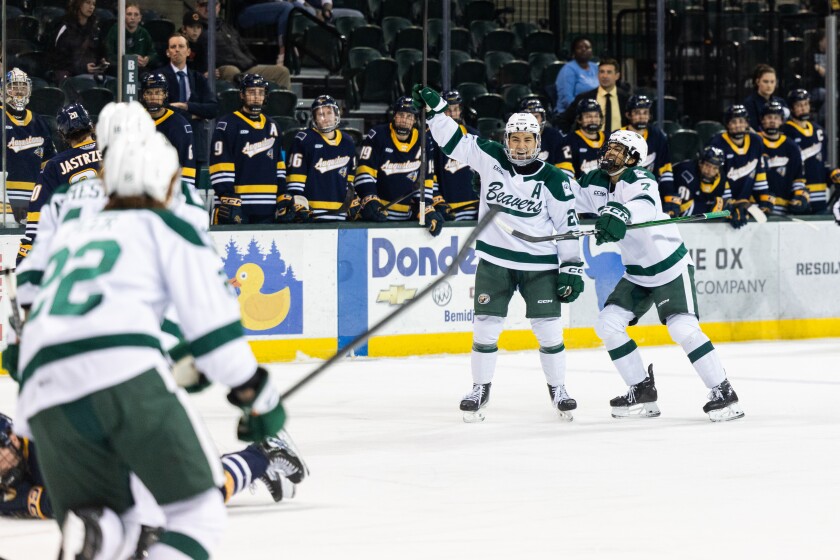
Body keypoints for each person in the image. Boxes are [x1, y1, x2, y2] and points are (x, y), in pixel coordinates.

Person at [14, 130, 288, 559]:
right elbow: (216, 336)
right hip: (121, 370)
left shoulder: (75, 230)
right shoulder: (166, 225)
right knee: (198, 514)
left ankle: (97, 532)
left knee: (115, 518)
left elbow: (29, 289)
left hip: (39, 385)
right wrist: (259, 397)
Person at [414, 85, 585, 422]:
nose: (521, 146)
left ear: (537, 142)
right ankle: (480, 388)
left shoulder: (554, 179)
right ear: (506, 139)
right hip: (495, 261)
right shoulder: (490, 156)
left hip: (539, 266)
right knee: (485, 328)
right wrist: (436, 112)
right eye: (515, 139)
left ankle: (559, 389)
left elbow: (567, 226)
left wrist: (571, 267)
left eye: (527, 140)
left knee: (549, 330)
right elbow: (454, 141)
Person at [574, 129, 744, 422]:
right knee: (608, 323)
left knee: (682, 328)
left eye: (619, 150)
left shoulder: (641, 178)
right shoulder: (595, 182)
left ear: (634, 159)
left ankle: (723, 391)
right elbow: (566, 196)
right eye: (610, 147)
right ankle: (641, 389)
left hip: (669, 267)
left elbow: (644, 203)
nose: (611, 152)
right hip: (637, 273)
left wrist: (618, 214)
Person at [0, 413, 307, 520]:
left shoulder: (45, 440)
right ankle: (253, 466)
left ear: (13, 437)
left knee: (200, 497)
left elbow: (63, 502)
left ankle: (264, 453)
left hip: (141, 443)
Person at [17, 103, 101, 262]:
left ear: (62, 134)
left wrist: (26, 251)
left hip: (75, 246)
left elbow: (37, 215)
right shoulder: (113, 152)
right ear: (90, 125)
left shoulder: (54, 165)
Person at [353, 96, 444, 237]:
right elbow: (364, 172)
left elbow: (425, 181)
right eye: (401, 115)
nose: (404, 120)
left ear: (415, 120)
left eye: (409, 116)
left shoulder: (424, 141)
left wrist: (425, 208)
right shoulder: (378, 135)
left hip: (407, 217)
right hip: (377, 215)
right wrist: (369, 199)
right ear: (394, 116)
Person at [210, 73, 287, 225]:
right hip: (237, 205)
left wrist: (282, 195)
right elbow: (220, 164)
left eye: (260, 92)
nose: (256, 97)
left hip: (268, 206)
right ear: (242, 95)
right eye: (251, 92)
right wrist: (226, 194)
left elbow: (279, 165)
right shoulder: (227, 124)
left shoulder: (273, 126)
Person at [284, 95, 357, 221]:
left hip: (340, 213)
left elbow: (349, 181)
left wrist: (352, 199)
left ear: (336, 115)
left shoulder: (347, 141)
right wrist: (298, 203)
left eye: (329, 113)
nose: (326, 118)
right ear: (314, 118)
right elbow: (295, 181)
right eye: (320, 114)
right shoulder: (304, 139)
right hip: (311, 213)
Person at [195, 0, 292, 90]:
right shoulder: (196, 29)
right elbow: (191, 56)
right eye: (204, 5)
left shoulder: (226, 27)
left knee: (282, 72)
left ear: (218, 7)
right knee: (232, 71)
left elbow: (244, 48)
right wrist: (203, 72)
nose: (208, 8)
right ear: (197, 7)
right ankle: (235, 102)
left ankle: (281, 102)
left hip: (245, 68)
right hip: (222, 70)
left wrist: (251, 62)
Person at [2, 68, 57, 223]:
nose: (19, 91)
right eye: (14, 87)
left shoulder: (39, 122)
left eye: (23, 87)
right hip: (4, 196)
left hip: (34, 196)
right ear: (3, 91)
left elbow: (49, 163)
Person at [155, 33, 219, 167]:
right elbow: (160, 107)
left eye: (181, 46)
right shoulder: (158, 77)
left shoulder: (198, 78)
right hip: (167, 141)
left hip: (196, 144)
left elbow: (213, 109)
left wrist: (186, 106)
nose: (177, 50)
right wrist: (194, 115)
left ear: (188, 51)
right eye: (173, 47)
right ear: (167, 52)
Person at [708, 104, 770, 229]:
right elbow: (717, 176)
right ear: (727, 124)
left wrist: (763, 197)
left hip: (746, 202)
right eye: (734, 122)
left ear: (747, 123)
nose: (738, 125)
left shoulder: (756, 141)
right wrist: (730, 204)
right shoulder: (717, 143)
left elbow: (759, 172)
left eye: (741, 121)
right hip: (722, 202)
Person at [782, 88, 840, 213]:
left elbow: (821, 163)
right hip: (796, 196)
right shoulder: (785, 132)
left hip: (820, 196)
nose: (803, 108)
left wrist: (832, 174)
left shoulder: (819, 131)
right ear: (791, 108)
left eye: (806, 104)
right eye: (799, 105)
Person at [140, 72, 197, 190]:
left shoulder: (180, 125)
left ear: (165, 95)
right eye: (149, 93)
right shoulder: (135, 121)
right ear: (143, 95)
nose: (153, 97)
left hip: (167, 188)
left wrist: (184, 192)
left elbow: (187, 165)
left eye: (158, 93)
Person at [431, 90, 480, 221]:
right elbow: (429, 175)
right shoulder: (432, 138)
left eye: (456, 109)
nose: (453, 114)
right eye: (448, 110)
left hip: (475, 208)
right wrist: (437, 201)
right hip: (448, 210)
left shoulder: (474, 135)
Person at [621, 94, 674, 206]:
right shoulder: (617, 136)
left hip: (650, 194)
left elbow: (665, 169)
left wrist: (669, 196)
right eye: (637, 113)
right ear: (628, 115)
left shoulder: (657, 135)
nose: (642, 117)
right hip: (622, 194)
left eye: (645, 113)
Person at [758, 101, 808, 216]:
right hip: (756, 207)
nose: (772, 121)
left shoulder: (791, 146)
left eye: (776, 118)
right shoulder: (754, 142)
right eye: (769, 117)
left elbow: (798, 178)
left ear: (782, 121)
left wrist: (799, 195)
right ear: (762, 120)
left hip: (782, 208)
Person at [560, 58, 628, 135]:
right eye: (602, 72)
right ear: (598, 75)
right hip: (590, 141)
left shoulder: (626, 99)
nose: (604, 76)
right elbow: (564, 120)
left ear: (617, 76)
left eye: (609, 72)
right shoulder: (583, 98)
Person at [49, 0, 107, 84]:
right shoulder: (64, 27)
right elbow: (56, 60)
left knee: (112, 83)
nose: (91, 7)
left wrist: (101, 63)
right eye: (88, 2)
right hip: (69, 74)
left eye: (93, 4)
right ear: (78, 4)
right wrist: (83, 68)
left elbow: (100, 53)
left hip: (91, 75)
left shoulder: (95, 30)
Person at [669, 145, 728, 217]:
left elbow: (727, 201)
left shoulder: (721, 177)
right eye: (707, 165)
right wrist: (711, 209)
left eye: (715, 168)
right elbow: (682, 210)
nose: (710, 171)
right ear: (700, 162)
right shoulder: (686, 172)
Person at [557, 99, 605, 180]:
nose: (593, 120)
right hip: (580, 186)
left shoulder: (609, 138)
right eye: (588, 116)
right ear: (579, 119)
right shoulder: (569, 141)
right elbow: (565, 174)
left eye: (596, 116)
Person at [105, 2, 159, 70]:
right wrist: (130, 59)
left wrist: (147, 59)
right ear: (123, 16)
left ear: (140, 18)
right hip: (119, 69)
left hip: (139, 70)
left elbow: (153, 54)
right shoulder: (115, 30)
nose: (132, 18)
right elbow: (108, 55)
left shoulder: (144, 33)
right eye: (129, 14)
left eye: (136, 15)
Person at [554, 36, 598, 114]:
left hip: (594, 112)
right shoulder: (568, 69)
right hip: (571, 113)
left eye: (587, 47)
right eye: (579, 47)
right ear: (574, 51)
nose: (584, 49)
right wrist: (583, 112)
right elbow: (567, 99)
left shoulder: (595, 67)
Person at [520, 97, 564, 169]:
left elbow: (563, 165)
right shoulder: (514, 137)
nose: (532, 121)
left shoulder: (554, 136)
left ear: (542, 118)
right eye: (529, 117)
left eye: (536, 117)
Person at [742, 64, 788, 132]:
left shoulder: (781, 102)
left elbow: (787, 126)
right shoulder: (749, 103)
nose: (769, 85)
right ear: (757, 82)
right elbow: (751, 128)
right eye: (765, 82)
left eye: (772, 82)